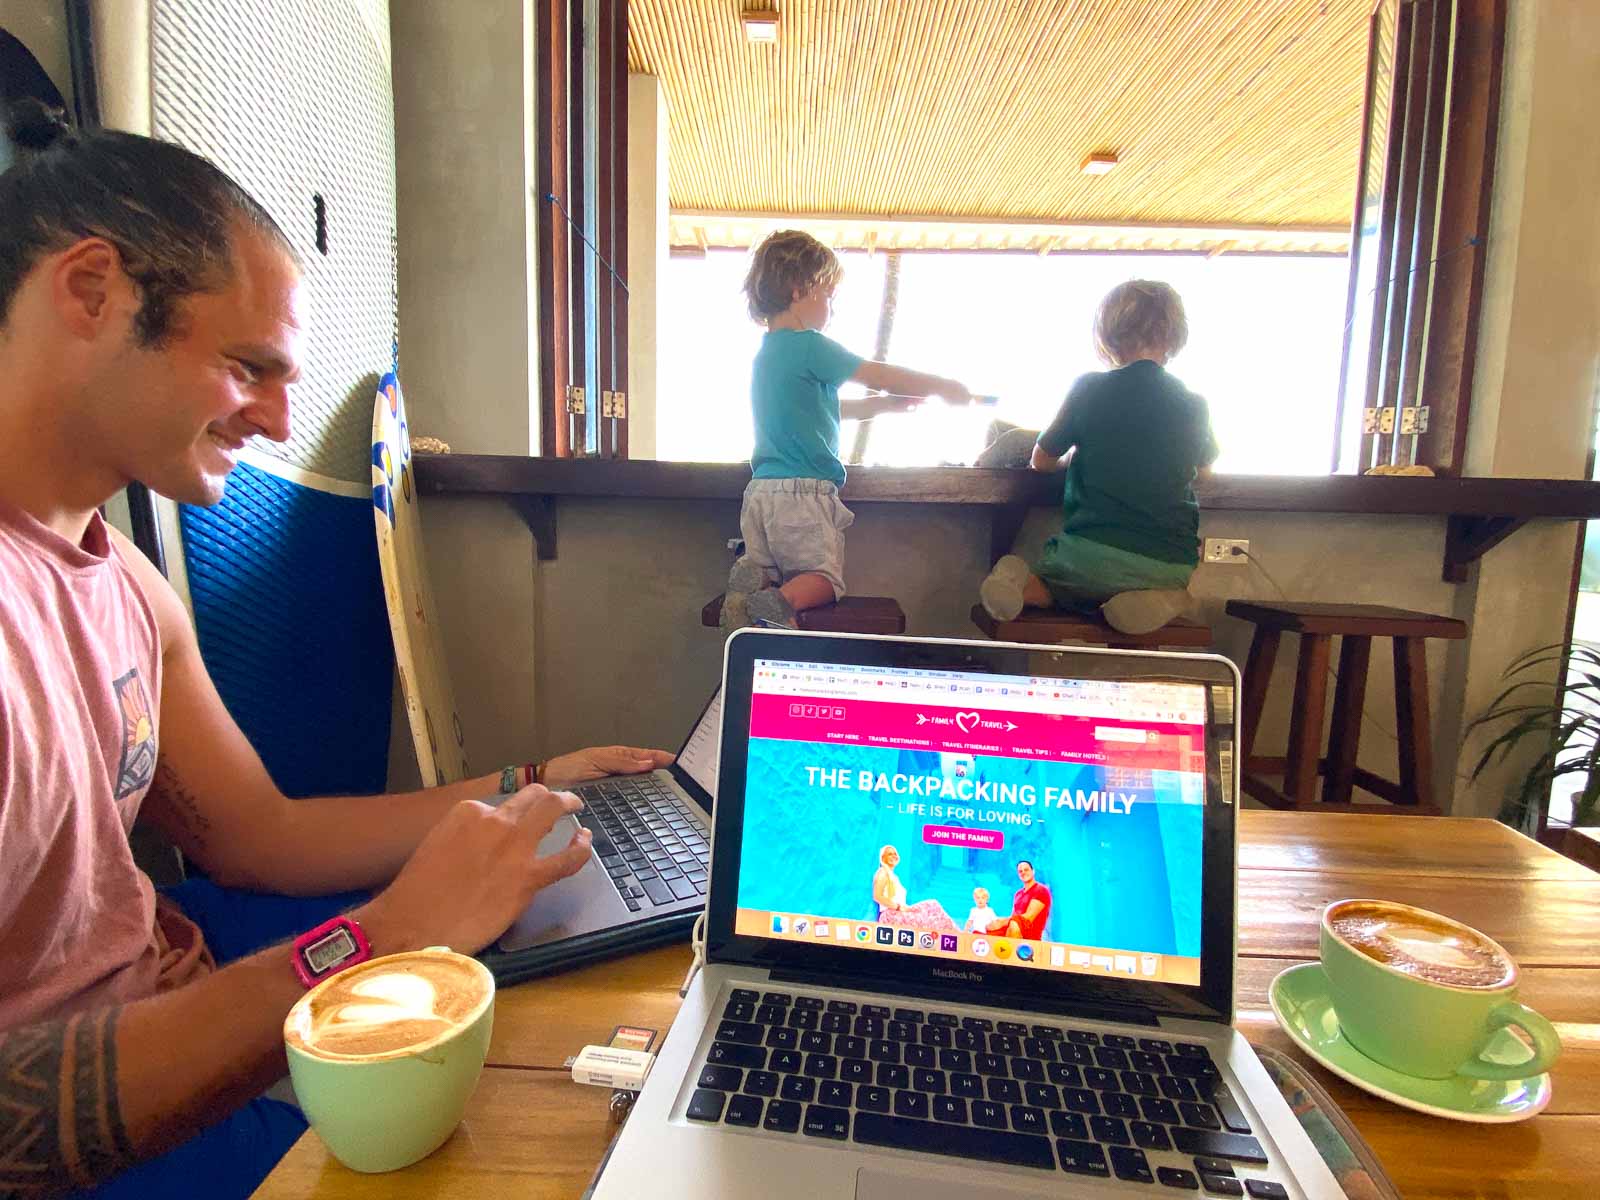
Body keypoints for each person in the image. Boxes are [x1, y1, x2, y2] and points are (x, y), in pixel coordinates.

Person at [0, 101, 676, 1199]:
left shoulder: (123, 581)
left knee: (596, 963)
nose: (276, 419)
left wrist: (528, 785)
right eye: (247, 366)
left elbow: (260, 839)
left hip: (175, 984)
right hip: (87, 1134)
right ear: (91, 291)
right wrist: (382, 942)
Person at [722, 229, 974, 628]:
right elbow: (878, 373)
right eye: (827, 296)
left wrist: (883, 407)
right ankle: (777, 604)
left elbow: (820, 409)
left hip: (760, 494)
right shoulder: (809, 344)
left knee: (772, 567)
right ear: (797, 289)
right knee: (823, 580)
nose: (831, 309)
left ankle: (752, 578)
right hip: (803, 494)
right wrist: (943, 386)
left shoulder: (766, 354)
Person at [978, 280, 1219, 635]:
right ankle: (1168, 596)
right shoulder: (1194, 404)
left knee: (1059, 583)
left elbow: (1041, 460)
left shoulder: (1089, 388)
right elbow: (1205, 472)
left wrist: (1076, 461)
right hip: (1167, 561)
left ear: (1107, 336)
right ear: (1175, 337)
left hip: (1085, 559)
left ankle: (1022, 582)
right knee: (1169, 578)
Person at [988, 860, 1052, 941]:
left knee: (1013, 924)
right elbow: (1013, 916)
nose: (1023, 873)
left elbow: (1028, 918)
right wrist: (997, 922)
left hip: (1030, 934)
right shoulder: (1018, 894)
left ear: (1033, 871)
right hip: (1014, 925)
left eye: (1026, 870)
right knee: (990, 927)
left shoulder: (1041, 890)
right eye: (1020, 871)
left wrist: (1003, 922)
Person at [872, 845, 909, 917]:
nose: (893, 856)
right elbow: (877, 896)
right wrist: (898, 907)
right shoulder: (883, 872)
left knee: (930, 905)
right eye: (890, 854)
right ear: (883, 858)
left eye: (895, 854)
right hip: (890, 915)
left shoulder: (894, 877)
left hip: (899, 913)